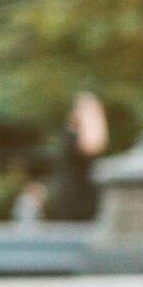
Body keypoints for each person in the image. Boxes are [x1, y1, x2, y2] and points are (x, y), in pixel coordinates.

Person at [45, 88, 109, 224]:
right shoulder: (73, 137)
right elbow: (94, 146)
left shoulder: (70, 134)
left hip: (76, 196)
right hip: (76, 199)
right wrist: (94, 116)